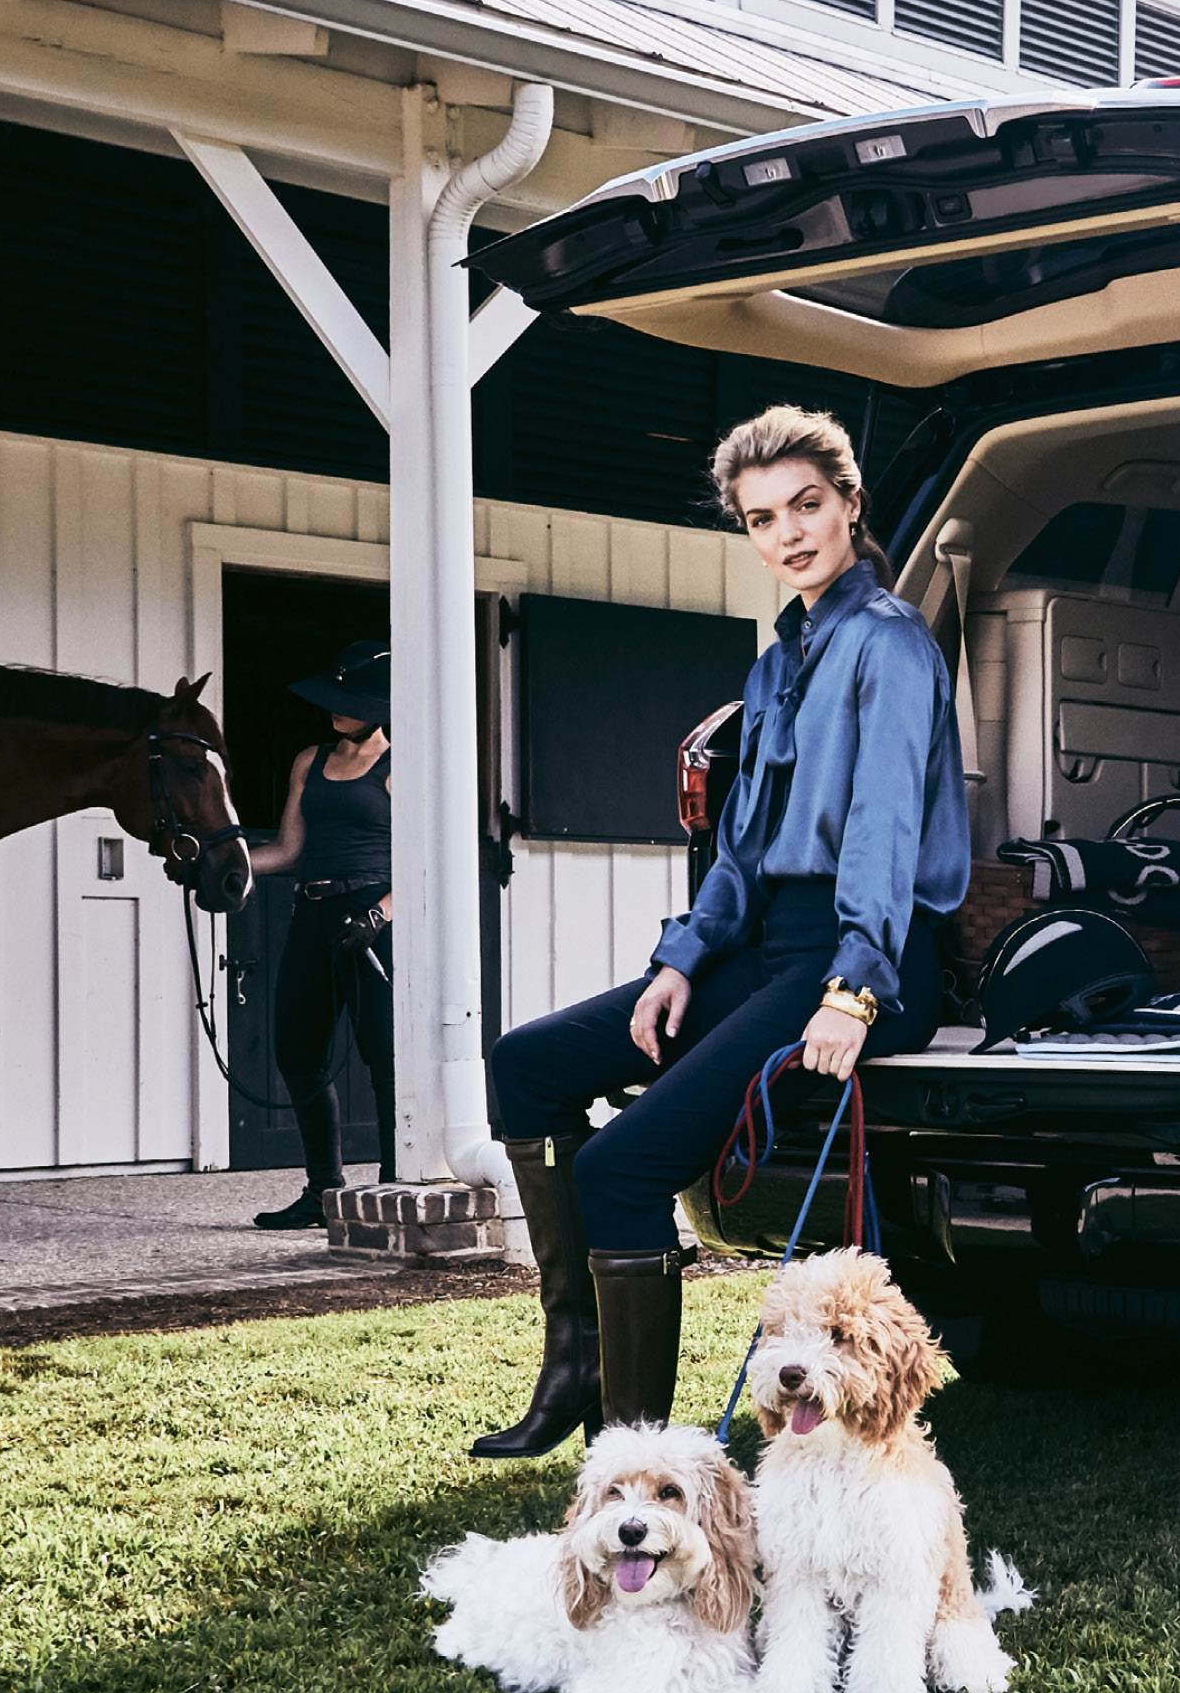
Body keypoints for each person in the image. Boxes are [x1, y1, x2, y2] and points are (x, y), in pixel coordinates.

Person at [475, 406, 969, 1458]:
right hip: (763, 945)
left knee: (618, 1168)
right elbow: (742, 849)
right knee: (526, 1064)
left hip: (860, 953)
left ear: (848, 504)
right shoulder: (777, 659)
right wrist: (680, 958)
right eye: (760, 518)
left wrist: (854, 988)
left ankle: (642, 1464)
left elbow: (883, 831)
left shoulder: (889, 643)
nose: (788, 532)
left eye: (805, 505)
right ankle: (573, 1364)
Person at [242, 638, 396, 1228]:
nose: (336, 709)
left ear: (380, 705)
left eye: (350, 699)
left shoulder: (397, 768)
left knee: (383, 1057)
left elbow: (423, 861)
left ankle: (393, 1185)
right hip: (314, 914)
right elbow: (287, 850)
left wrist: (379, 915)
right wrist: (225, 863)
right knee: (298, 1051)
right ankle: (323, 1191)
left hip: (371, 920)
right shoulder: (309, 760)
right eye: (333, 697)